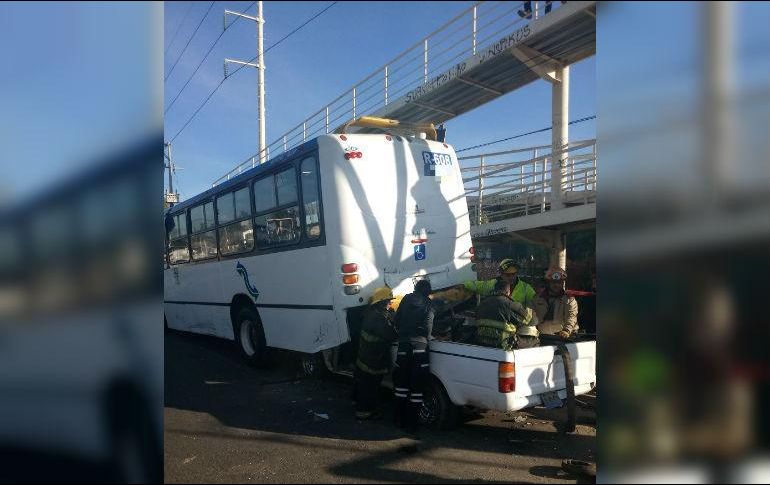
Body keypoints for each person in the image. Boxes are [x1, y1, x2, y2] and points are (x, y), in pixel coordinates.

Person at [392, 279, 434, 434]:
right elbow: (428, 326)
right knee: (417, 388)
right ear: (428, 291)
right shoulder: (428, 304)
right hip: (420, 349)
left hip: (403, 346)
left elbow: (396, 320)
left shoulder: (406, 298)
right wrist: (428, 337)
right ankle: (412, 424)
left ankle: (398, 420)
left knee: (401, 385)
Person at [353, 287, 398, 420]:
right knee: (370, 388)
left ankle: (360, 406)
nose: (390, 303)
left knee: (363, 385)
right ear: (381, 302)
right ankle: (364, 412)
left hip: (366, 357)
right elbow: (391, 335)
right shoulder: (377, 318)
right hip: (372, 360)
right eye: (389, 301)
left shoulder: (371, 313)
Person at [474, 279, 540, 350]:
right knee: (533, 337)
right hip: (503, 346)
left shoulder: (481, 304)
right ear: (508, 292)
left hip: (481, 344)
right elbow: (534, 321)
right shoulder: (510, 305)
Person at [462, 258, 536, 308]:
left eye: (514, 274)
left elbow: (534, 306)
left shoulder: (526, 288)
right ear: (501, 274)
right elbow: (476, 285)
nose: (511, 277)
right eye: (508, 275)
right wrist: (461, 285)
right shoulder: (493, 284)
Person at [534, 267, 579, 338]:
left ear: (563, 283)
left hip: (564, 338)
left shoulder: (569, 300)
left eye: (559, 282)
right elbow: (531, 316)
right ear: (548, 283)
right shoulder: (537, 299)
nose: (556, 285)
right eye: (553, 282)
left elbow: (571, 317)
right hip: (542, 337)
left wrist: (566, 330)